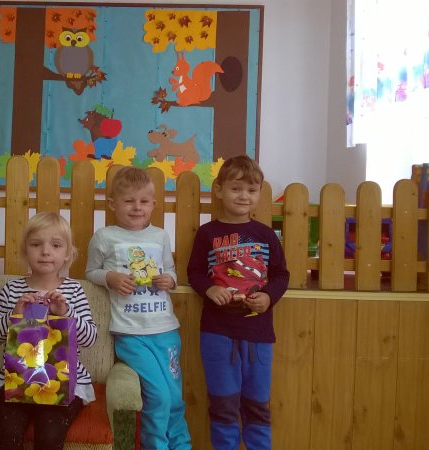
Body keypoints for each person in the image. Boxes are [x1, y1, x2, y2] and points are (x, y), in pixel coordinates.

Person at [187, 155, 289, 450]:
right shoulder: (207, 233)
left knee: (257, 406)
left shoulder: (266, 235)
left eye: (251, 190)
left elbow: (281, 274)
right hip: (217, 333)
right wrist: (209, 290)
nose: (244, 196)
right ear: (219, 190)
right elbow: (194, 273)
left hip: (258, 334)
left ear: (259, 193)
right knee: (223, 405)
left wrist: (268, 297)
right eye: (235, 188)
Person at [86, 166, 191, 450]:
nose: (137, 207)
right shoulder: (104, 236)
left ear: (153, 204)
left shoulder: (160, 236)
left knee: (175, 398)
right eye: (129, 201)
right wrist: (110, 277)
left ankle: (181, 446)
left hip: (166, 331)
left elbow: (170, 270)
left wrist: (170, 280)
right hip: (131, 335)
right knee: (158, 397)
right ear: (113, 204)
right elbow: (91, 272)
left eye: (144, 201)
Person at [0, 212, 98, 450]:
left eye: (56, 245)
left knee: (49, 436)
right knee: (8, 436)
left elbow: (90, 339)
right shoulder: (11, 290)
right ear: (25, 251)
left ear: (67, 254)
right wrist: (14, 315)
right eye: (36, 244)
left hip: (64, 382)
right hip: (16, 380)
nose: (45, 251)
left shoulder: (74, 291)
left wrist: (65, 313)